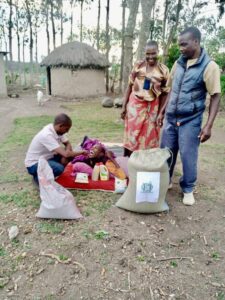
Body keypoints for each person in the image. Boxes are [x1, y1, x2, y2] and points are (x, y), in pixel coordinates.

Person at [157, 27, 221, 206]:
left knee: (188, 155)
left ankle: (188, 188)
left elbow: (215, 95)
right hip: (171, 117)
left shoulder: (210, 66)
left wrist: (208, 126)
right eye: (179, 45)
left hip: (190, 120)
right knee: (166, 153)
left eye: (184, 44)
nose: (181, 48)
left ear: (196, 42)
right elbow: (171, 90)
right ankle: (166, 180)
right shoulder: (178, 63)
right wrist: (162, 111)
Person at [121, 40, 170, 157]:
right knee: (132, 135)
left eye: (153, 53)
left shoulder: (164, 70)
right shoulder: (138, 66)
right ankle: (129, 160)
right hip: (135, 106)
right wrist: (124, 106)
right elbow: (130, 86)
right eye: (148, 54)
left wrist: (161, 113)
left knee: (150, 135)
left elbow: (165, 93)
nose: (150, 57)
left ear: (158, 52)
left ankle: (145, 163)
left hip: (153, 107)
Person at [25, 113, 87, 184]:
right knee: (59, 168)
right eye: (66, 129)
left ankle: (47, 173)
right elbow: (66, 154)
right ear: (60, 126)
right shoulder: (47, 134)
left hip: (46, 158)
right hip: (33, 164)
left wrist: (66, 154)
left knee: (69, 157)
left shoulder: (57, 131)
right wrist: (82, 152)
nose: (67, 131)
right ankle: (38, 179)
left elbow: (67, 143)